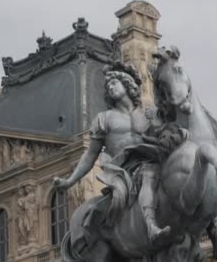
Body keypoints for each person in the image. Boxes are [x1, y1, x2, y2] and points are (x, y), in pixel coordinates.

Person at [53, 62, 172, 242]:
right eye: (108, 85)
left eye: (114, 83)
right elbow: (90, 155)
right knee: (149, 173)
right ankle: (150, 226)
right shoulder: (104, 119)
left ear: (128, 84)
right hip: (122, 169)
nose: (110, 87)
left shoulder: (148, 115)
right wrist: (70, 181)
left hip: (149, 159)